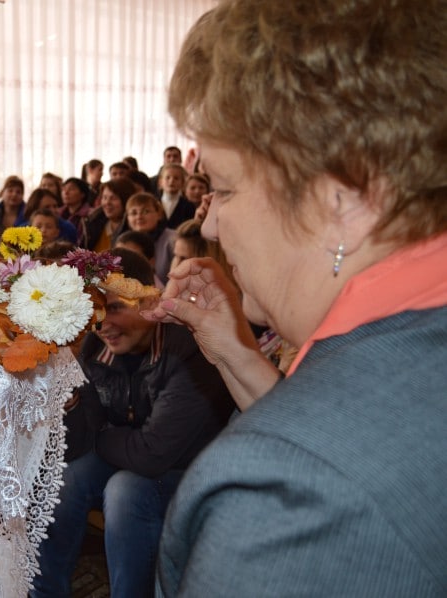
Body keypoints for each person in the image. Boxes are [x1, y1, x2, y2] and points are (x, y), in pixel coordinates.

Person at [143, 1, 447, 595]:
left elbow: (334, 451)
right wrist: (235, 353)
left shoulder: (290, 494)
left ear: (343, 200)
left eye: (225, 189)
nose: (210, 225)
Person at [31, 249, 233, 598]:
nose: (101, 324)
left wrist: (101, 433)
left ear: (147, 300)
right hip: (127, 457)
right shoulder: (93, 346)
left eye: (114, 308)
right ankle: (45, 593)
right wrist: (74, 403)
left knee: (126, 491)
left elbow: (152, 455)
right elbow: (78, 442)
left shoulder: (188, 348)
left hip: (193, 471)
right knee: (64, 476)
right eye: (94, 310)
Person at [125, 191, 176, 286]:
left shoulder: (172, 239)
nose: (139, 217)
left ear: (159, 214)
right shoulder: (125, 243)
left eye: (146, 211)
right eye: (134, 213)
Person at [81, 177, 136, 252]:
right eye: (104, 198)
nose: (107, 203)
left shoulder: (133, 228)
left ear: (126, 200)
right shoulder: (93, 222)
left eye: (113, 198)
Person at [157, 163, 194, 229]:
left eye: (176, 178)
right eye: (168, 178)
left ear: (183, 183)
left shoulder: (189, 206)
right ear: (160, 182)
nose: (171, 181)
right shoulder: (153, 203)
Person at [59, 176, 93, 244]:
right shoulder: (58, 213)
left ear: (82, 194)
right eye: (64, 189)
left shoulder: (90, 215)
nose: (66, 192)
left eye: (71, 189)